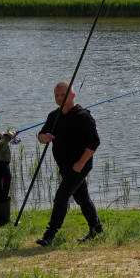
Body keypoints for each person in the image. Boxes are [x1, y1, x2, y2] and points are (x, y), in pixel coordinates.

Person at [36, 82, 102, 246]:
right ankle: (97, 230)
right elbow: (42, 133)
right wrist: (43, 138)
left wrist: (80, 163)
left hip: (79, 165)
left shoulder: (83, 116)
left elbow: (94, 143)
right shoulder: (54, 116)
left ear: (72, 96)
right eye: (56, 95)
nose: (59, 98)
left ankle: (49, 235)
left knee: (61, 197)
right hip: (64, 166)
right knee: (82, 199)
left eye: (62, 95)